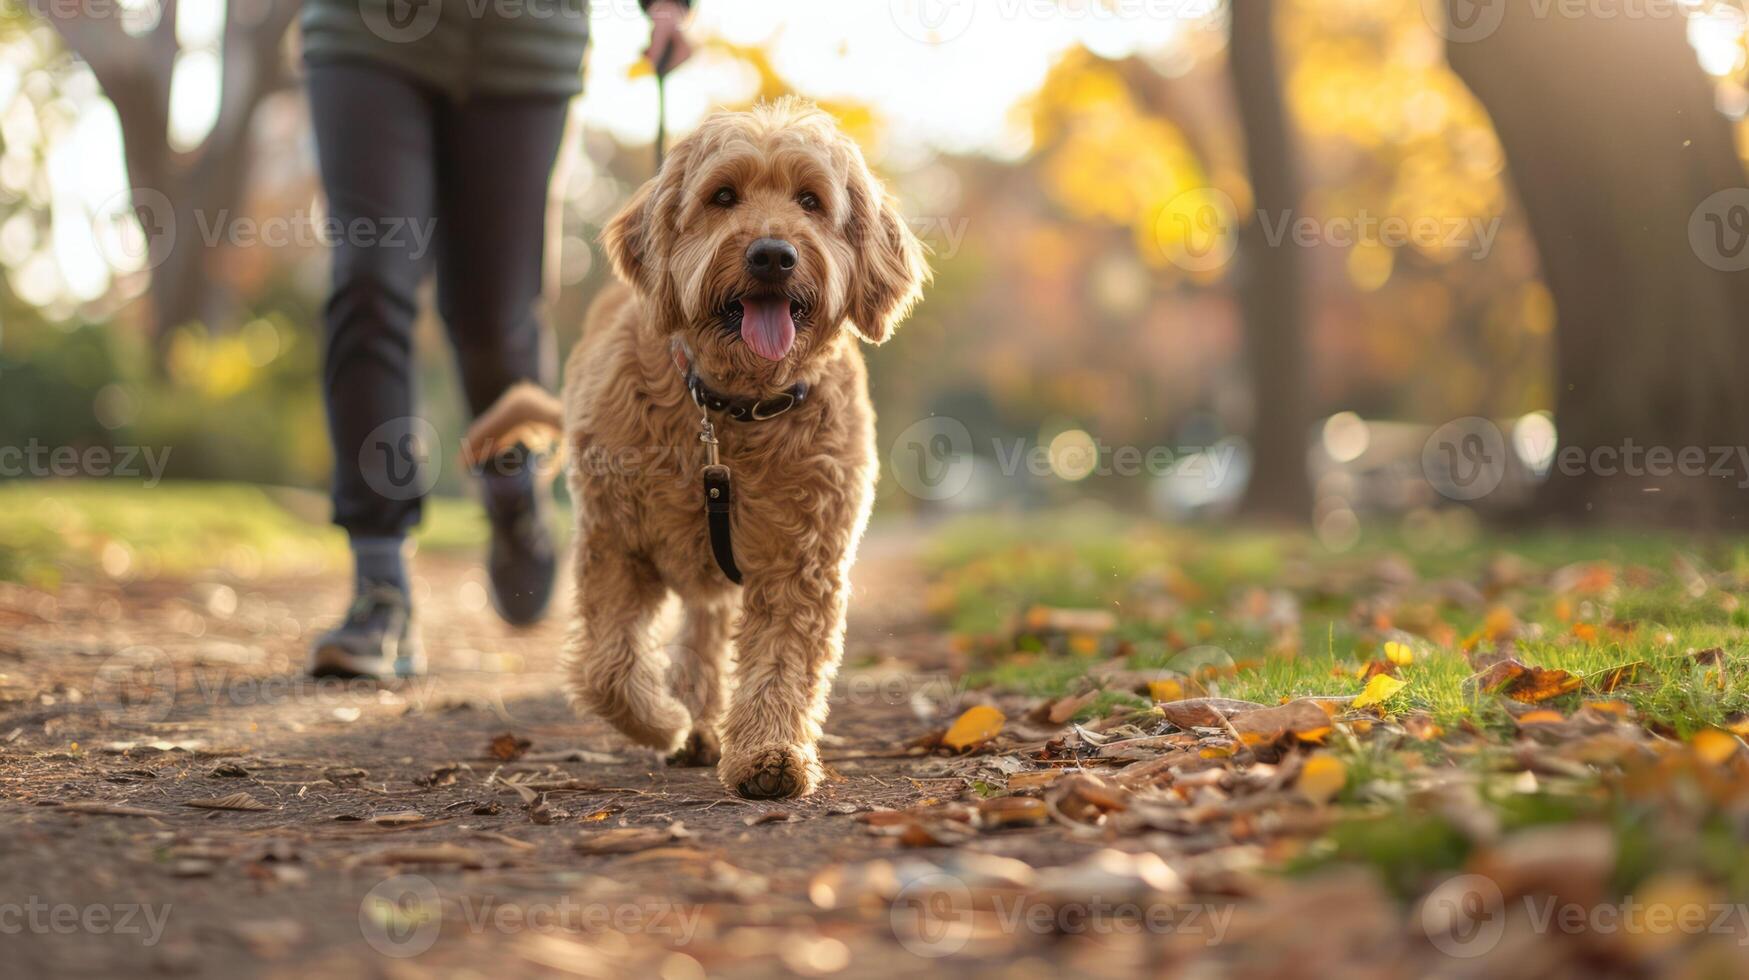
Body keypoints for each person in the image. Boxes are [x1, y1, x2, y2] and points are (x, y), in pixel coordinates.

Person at [299, 0, 694, 678]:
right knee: (370, 280)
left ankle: (514, 494)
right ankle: (380, 584)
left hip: (526, 46)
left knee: (495, 317)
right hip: (364, 31)